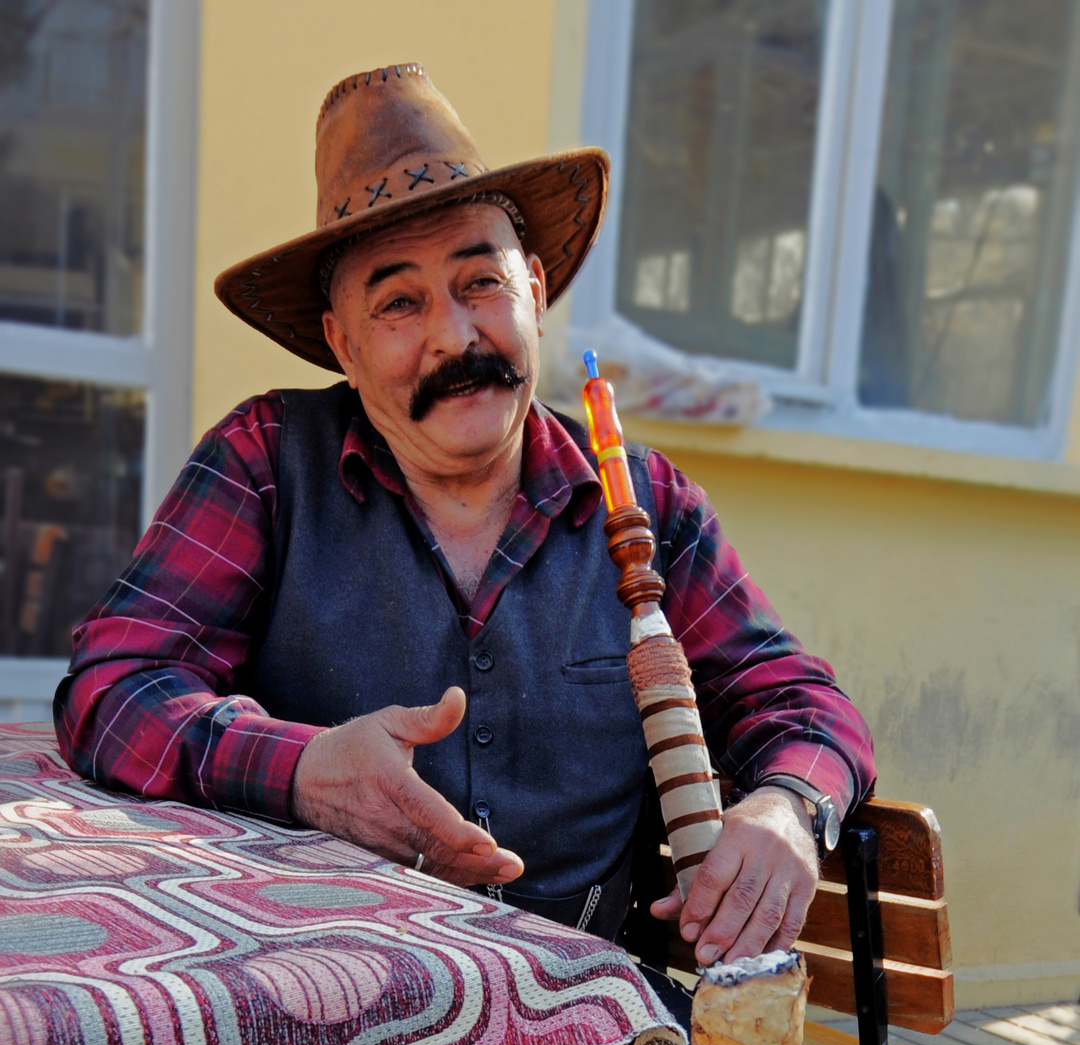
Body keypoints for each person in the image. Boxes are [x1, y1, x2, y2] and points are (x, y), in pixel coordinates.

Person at [54, 64, 875, 978]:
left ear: (533, 289)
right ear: (343, 343)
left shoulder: (644, 505)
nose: (453, 338)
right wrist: (304, 771)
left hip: (588, 1025)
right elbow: (114, 685)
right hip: (316, 1013)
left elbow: (800, 701)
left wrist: (789, 806)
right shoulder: (266, 461)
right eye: (399, 303)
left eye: (480, 283)